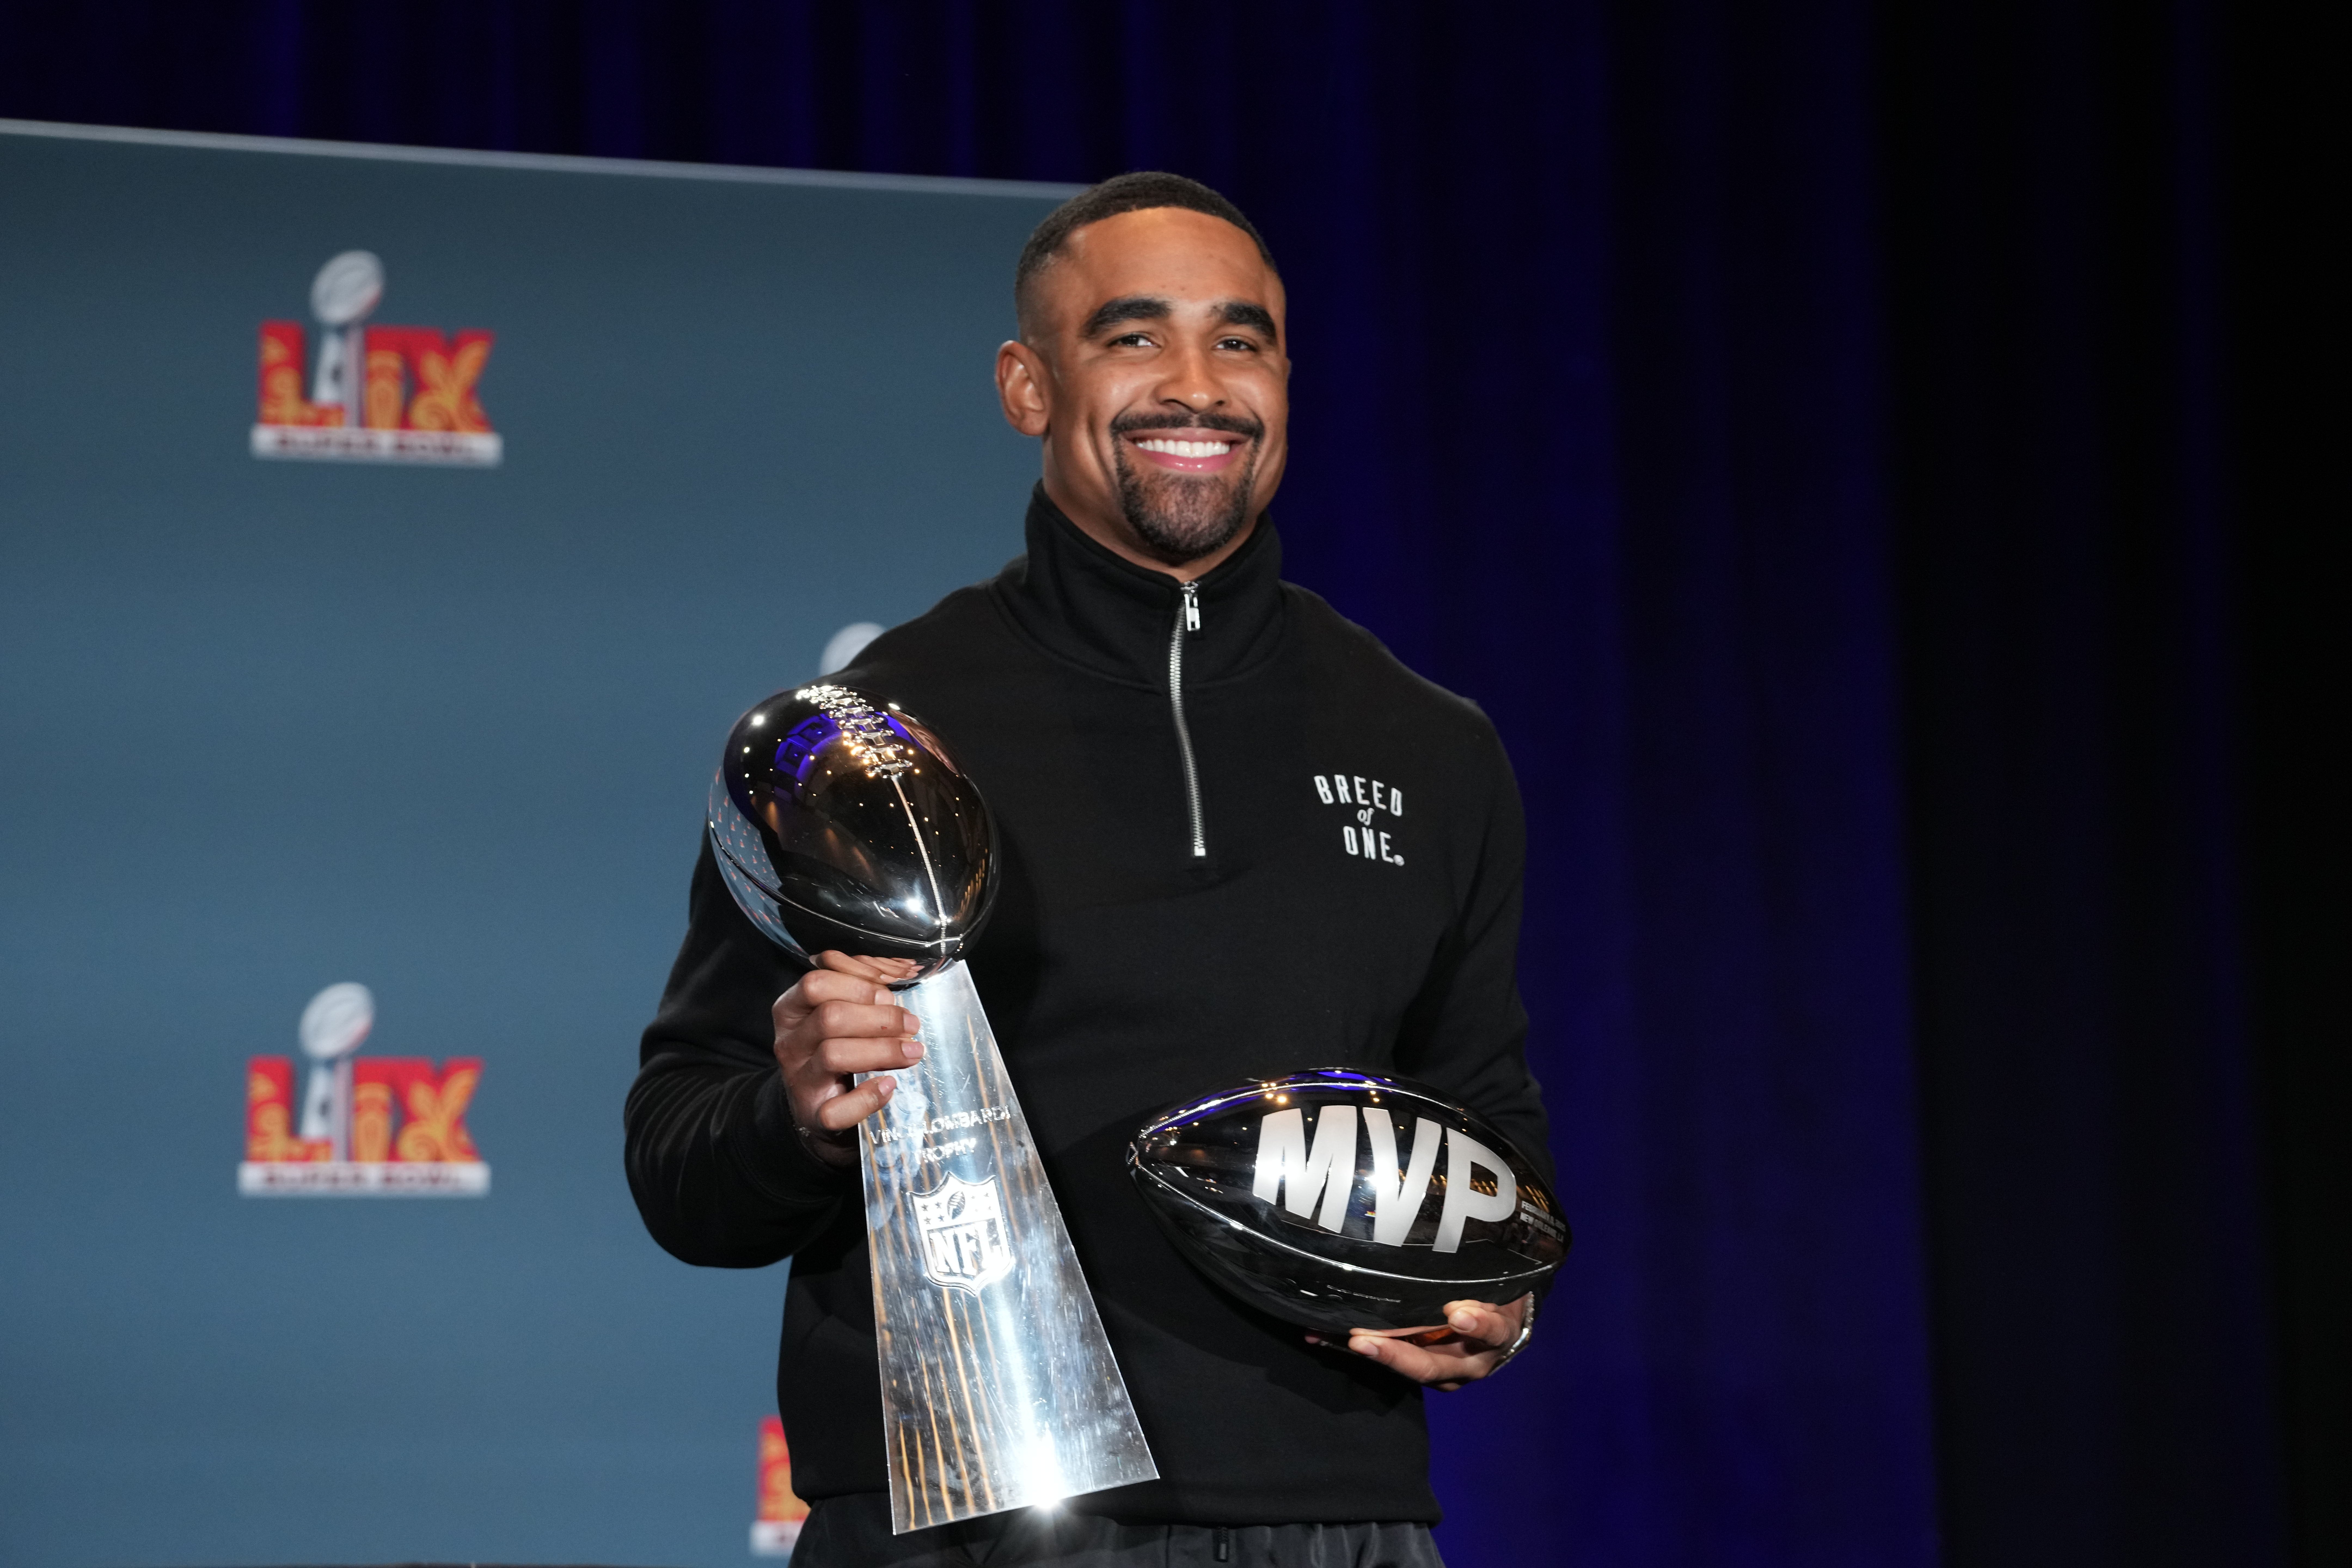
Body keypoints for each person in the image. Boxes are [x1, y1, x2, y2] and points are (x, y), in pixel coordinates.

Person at [627, 172, 1548, 1568]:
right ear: (1027, 386)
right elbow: (680, 1165)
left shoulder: (1430, 744)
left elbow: (1483, 1112)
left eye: (1240, 341)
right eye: (1134, 336)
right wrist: (797, 1114)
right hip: (965, 1522)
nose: (1199, 386)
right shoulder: (871, 738)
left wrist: (1494, 1297)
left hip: (1333, 1522)